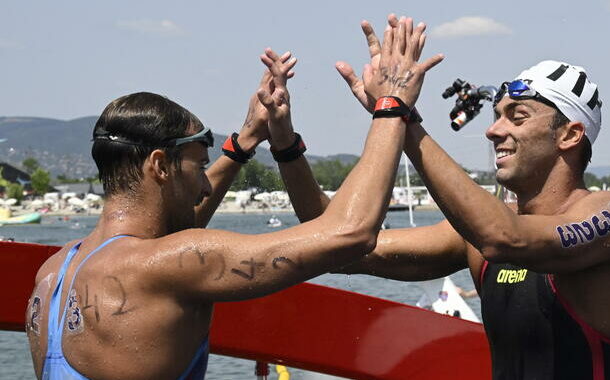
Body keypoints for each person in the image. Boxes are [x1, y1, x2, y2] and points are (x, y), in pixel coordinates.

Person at [25, 21, 440, 379]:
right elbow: (350, 233)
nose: (206, 187)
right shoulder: (171, 263)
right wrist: (392, 106)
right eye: (197, 168)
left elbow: (169, 233)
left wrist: (246, 140)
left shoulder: (54, 272)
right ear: (159, 165)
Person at [279, 14, 610, 379]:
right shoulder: (477, 236)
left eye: (517, 116)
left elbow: (506, 237)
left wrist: (400, 114)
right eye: (497, 115)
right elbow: (334, 241)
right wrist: (285, 146)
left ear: (569, 135)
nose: (492, 130)